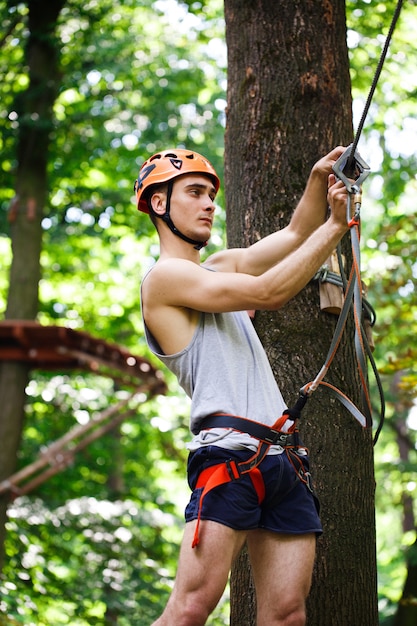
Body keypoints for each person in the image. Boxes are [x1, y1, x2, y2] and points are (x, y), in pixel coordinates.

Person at [134, 146, 350, 626]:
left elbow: (295, 234)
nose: (210, 203)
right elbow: (269, 292)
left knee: (288, 615)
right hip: (229, 456)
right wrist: (336, 227)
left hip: (283, 460)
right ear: (159, 204)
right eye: (195, 192)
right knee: (191, 609)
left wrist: (319, 180)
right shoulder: (164, 280)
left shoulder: (223, 265)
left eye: (211, 194)